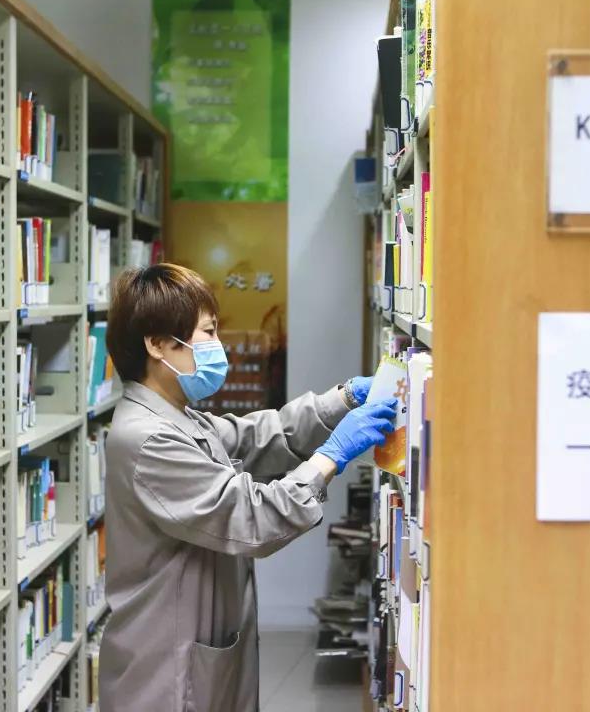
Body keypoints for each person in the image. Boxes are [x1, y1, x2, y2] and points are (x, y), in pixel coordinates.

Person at [98, 263, 397, 712]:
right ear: (157, 344)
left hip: (191, 652)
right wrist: (331, 457)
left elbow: (259, 435)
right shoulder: (149, 438)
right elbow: (252, 518)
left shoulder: (176, 415)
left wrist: (343, 399)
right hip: (166, 673)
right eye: (207, 332)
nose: (218, 345)